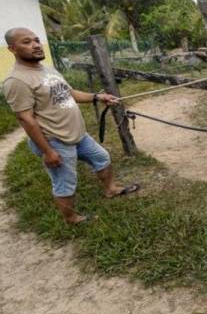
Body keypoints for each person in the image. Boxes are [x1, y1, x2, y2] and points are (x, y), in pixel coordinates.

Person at [2, 27, 139, 224]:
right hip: (55, 140)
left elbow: (70, 93)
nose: (36, 45)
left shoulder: (46, 68)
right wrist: (48, 152)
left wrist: (97, 97)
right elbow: (26, 119)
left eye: (37, 40)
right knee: (65, 182)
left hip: (77, 133)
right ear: (12, 49)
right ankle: (71, 218)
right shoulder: (16, 81)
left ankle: (110, 189)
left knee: (101, 158)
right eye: (27, 42)